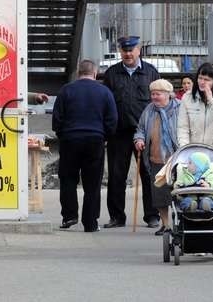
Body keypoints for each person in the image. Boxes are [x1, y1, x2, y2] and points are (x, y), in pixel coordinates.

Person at [52, 59, 117, 232]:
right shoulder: (104, 92)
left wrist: (63, 135)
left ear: (78, 73)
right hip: (95, 140)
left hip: (70, 140)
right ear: (95, 73)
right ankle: (90, 223)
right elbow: (112, 120)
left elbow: (57, 119)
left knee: (67, 179)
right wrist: (104, 137)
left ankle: (69, 216)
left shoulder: (66, 90)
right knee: (93, 184)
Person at [103, 36, 161, 229]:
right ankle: (117, 216)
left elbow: (159, 103)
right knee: (117, 175)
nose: (128, 53)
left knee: (148, 174)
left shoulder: (151, 73)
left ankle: (152, 215)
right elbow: (106, 104)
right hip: (119, 133)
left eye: (131, 50)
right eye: (124, 50)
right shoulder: (112, 74)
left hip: (145, 132)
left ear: (139, 50)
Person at [134, 79, 180, 235]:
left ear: (168, 94)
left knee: (178, 193)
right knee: (159, 195)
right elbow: (140, 128)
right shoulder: (149, 110)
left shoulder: (179, 108)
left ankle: (179, 223)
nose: (154, 97)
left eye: (158, 94)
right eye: (152, 94)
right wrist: (139, 139)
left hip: (177, 160)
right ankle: (166, 225)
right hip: (156, 159)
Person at [177, 62, 213, 154]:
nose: (202, 82)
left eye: (207, 79)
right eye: (200, 78)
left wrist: (212, 101)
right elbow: (183, 127)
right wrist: (185, 149)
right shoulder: (187, 97)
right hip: (195, 151)